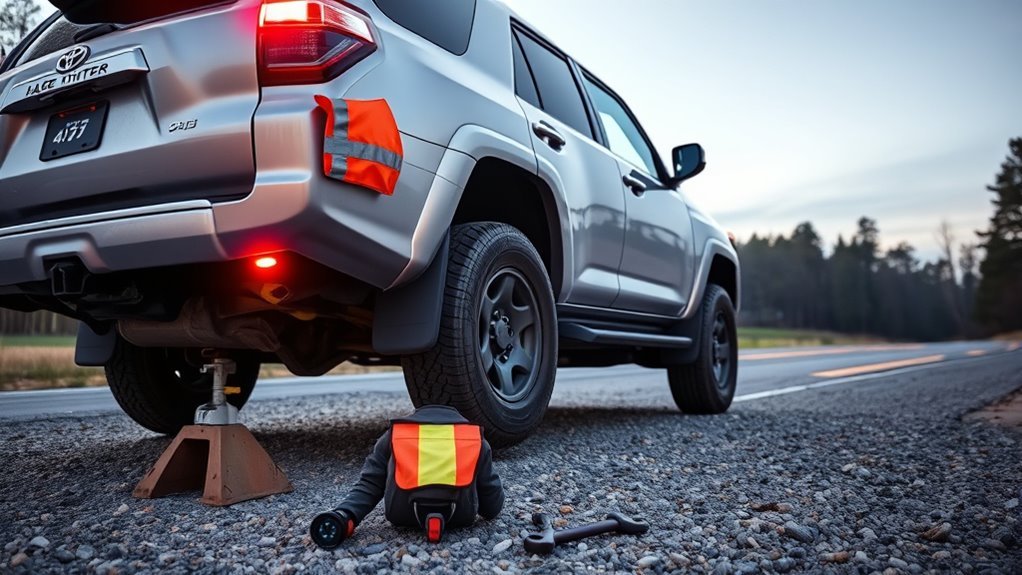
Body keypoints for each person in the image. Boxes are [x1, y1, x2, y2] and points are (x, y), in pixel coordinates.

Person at [310, 405, 504, 547]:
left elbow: (370, 485)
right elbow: (492, 508)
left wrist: (345, 515)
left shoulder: (395, 434)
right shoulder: (474, 438)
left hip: (400, 514)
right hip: (461, 516)